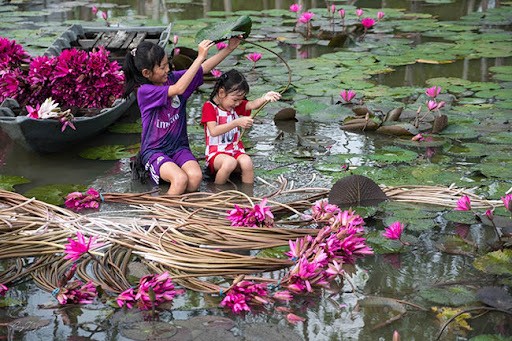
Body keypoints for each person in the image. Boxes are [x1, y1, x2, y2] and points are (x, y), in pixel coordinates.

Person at [123, 37, 242, 195]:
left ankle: (176, 202)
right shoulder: (145, 91)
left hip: (179, 147)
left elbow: (203, 69)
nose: (168, 69)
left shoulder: (171, 79)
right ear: (146, 73)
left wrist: (229, 48)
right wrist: (199, 57)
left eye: (167, 64)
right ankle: (164, 214)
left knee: (195, 177)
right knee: (180, 179)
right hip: (155, 151)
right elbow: (178, 88)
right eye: (163, 67)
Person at [201, 69, 281, 185]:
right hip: (217, 153)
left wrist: (265, 98)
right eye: (235, 99)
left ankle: (248, 194)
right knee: (229, 163)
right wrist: (236, 122)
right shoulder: (209, 107)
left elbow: (252, 105)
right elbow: (213, 131)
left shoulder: (233, 105)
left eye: (240, 100)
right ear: (221, 93)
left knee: (247, 161)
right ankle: (216, 191)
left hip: (235, 149)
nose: (238, 103)